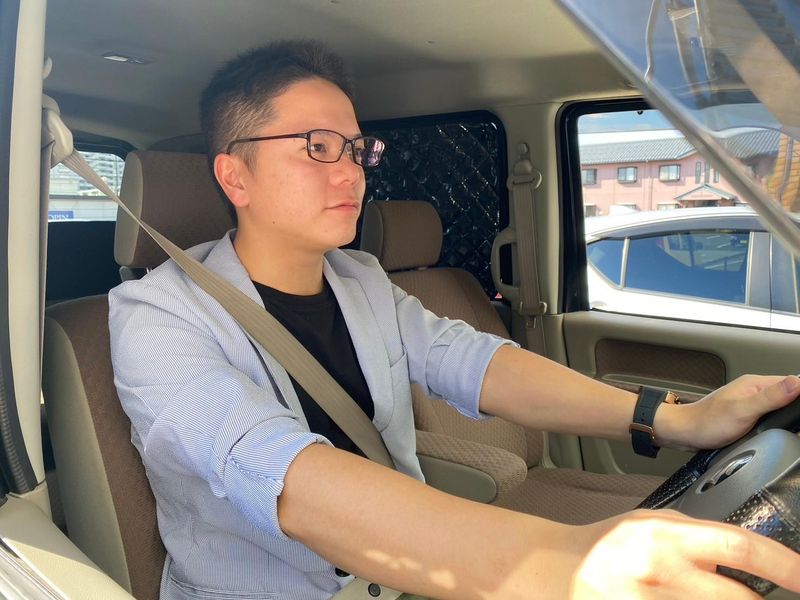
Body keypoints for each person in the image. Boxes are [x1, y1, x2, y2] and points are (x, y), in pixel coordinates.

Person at [109, 40, 800, 600]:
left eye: (356, 148)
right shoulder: (155, 319)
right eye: (317, 147)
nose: (352, 173)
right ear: (236, 177)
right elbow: (278, 471)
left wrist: (671, 417)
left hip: (402, 577)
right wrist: (567, 561)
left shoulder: (360, 279)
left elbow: (475, 363)